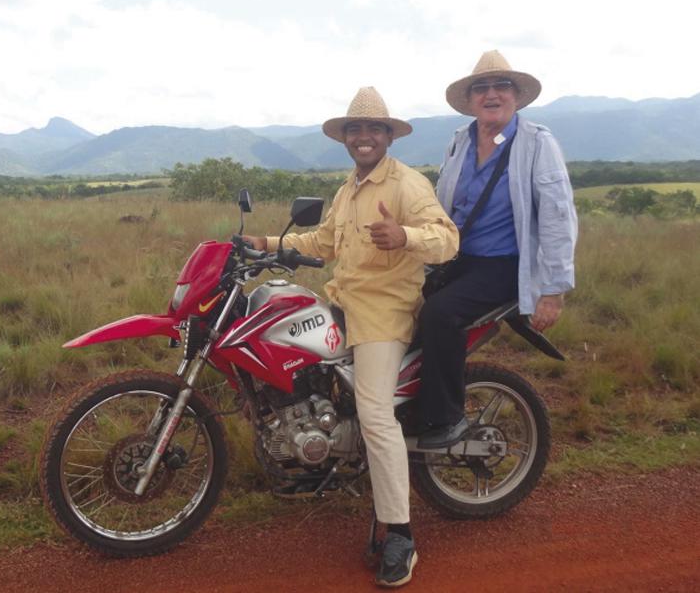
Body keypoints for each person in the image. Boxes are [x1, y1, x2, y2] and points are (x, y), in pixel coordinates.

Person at [244, 86, 458, 588]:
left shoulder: (406, 184)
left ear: (388, 136)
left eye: (373, 129)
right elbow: (322, 242)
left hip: (384, 311)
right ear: (345, 138)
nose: (364, 137)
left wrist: (405, 236)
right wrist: (265, 244)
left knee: (375, 413)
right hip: (344, 301)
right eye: (355, 129)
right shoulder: (349, 189)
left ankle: (400, 534)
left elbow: (448, 239)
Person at [413, 50, 578, 450]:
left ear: (515, 95)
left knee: (440, 314)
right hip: (457, 259)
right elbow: (443, 203)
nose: (491, 94)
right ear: (470, 100)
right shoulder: (461, 141)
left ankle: (445, 417)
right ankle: (406, 403)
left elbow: (557, 215)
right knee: (400, 305)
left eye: (501, 85)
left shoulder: (536, 143)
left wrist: (553, 290)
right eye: (481, 88)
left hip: (503, 264)